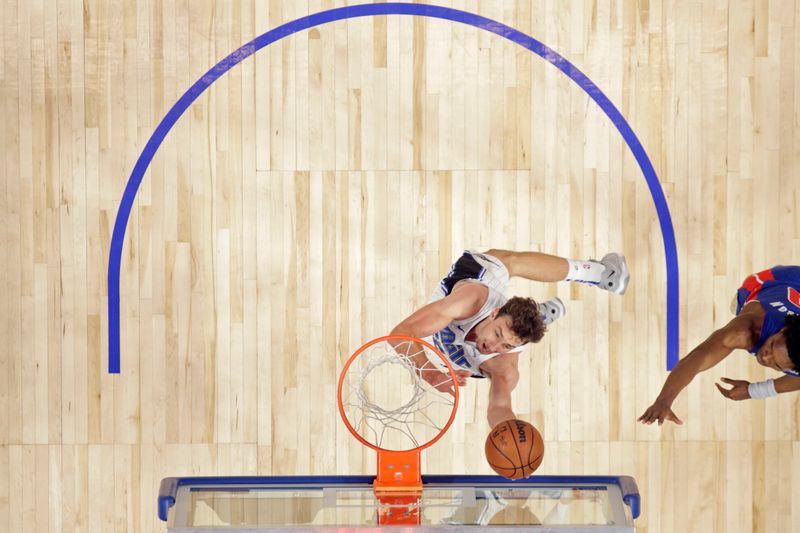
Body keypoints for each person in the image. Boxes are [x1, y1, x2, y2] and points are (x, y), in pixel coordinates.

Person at [389, 249, 630, 429]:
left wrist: (511, 439)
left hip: (447, 357)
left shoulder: (504, 365)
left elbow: (500, 408)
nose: (493, 346)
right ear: (494, 313)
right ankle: (601, 274)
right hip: (456, 318)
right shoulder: (472, 299)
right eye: (497, 333)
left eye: (505, 345)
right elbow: (400, 334)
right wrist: (430, 374)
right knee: (504, 262)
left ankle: (599, 278)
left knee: (509, 265)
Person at [639, 266, 800, 426]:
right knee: (735, 303)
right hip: (778, 280)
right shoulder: (746, 331)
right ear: (783, 329)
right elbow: (698, 357)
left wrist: (755, 391)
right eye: (771, 346)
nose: (765, 357)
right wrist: (664, 400)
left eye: (776, 364)